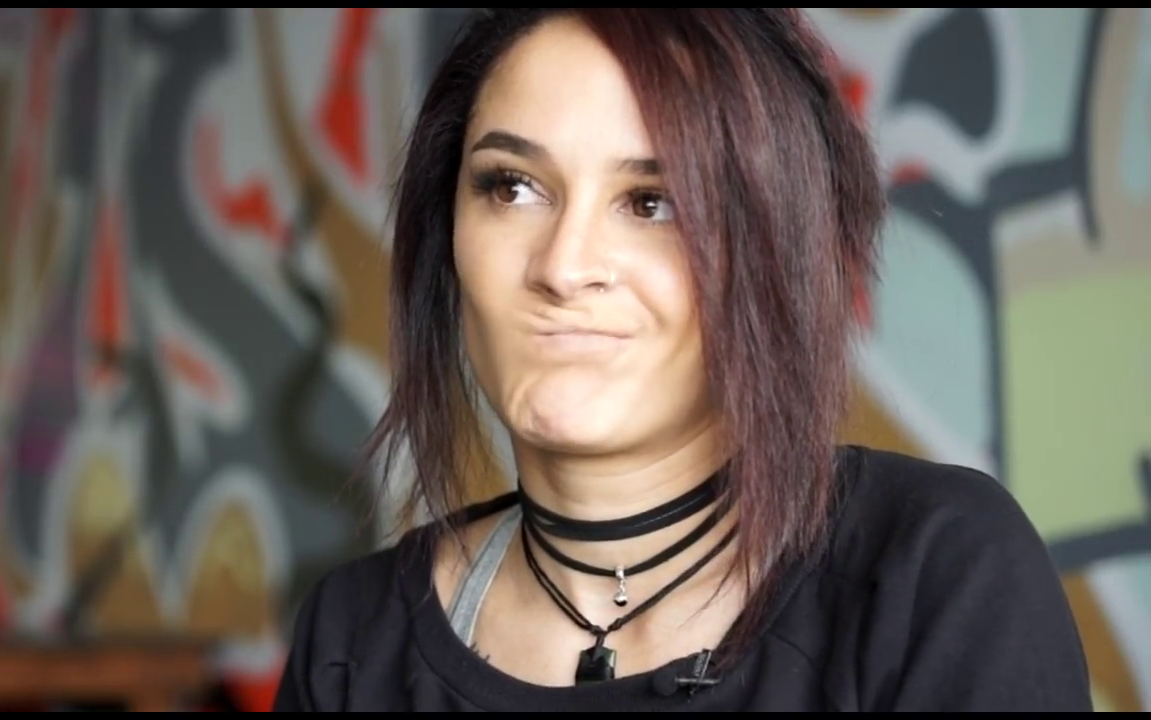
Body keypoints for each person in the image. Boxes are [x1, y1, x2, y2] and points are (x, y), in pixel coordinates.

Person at [271, 8, 1093, 712]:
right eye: (513, 187)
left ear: (770, 250)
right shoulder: (352, 646)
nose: (564, 266)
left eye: (651, 202)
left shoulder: (935, 580)